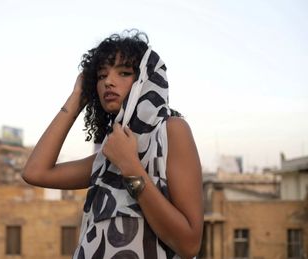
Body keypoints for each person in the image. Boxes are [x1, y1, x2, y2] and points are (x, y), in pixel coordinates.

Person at [23, 29, 203, 259]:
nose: (108, 81)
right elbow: (35, 172)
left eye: (124, 73)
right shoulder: (109, 154)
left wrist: (130, 166)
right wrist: (77, 97)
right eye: (100, 76)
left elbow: (189, 245)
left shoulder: (171, 131)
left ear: (145, 81)